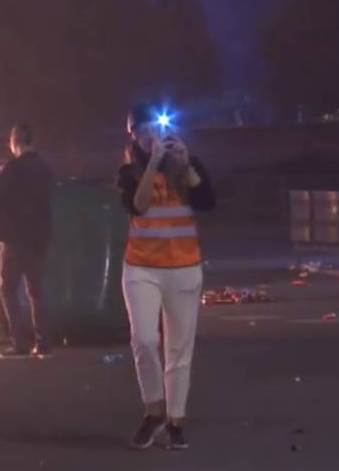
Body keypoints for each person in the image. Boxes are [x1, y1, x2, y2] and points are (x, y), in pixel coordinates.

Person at [116, 103, 216, 450]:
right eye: (143, 132)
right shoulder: (128, 172)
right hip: (141, 267)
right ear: (134, 136)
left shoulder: (187, 164)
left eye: (156, 130)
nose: (151, 137)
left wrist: (184, 163)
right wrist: (153, 164)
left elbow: (207, 200)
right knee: (144, 340)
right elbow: (138, 205)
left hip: (184, 267)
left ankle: (175, 421)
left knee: (179, 349)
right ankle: (153, 410)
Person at [0, 123, 55, 360]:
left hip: (14, 239)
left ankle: (20, 343)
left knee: (8, 290)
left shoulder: (12, 169)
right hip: (39, 239)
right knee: (37, 292)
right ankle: (43, 343)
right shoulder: (45, 169)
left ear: (15, 142)